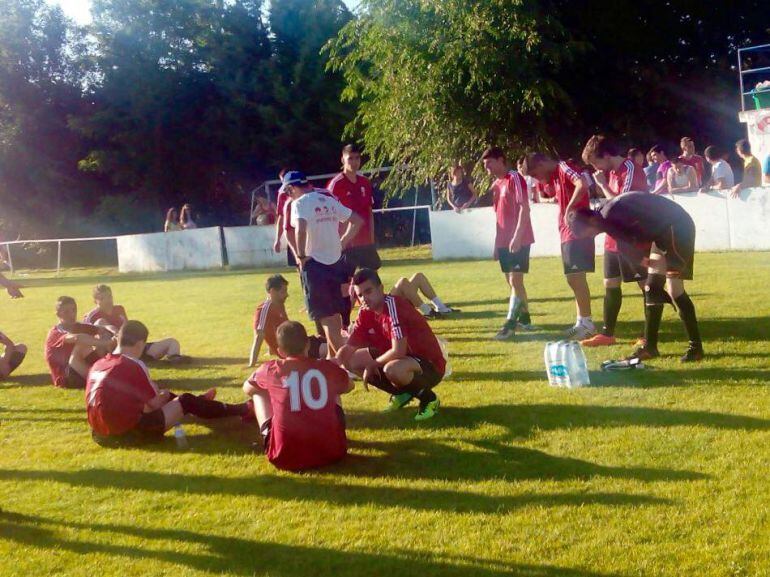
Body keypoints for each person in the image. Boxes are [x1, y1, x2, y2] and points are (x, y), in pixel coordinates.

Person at [569, 192, 704, 363]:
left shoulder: (611, 214)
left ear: (591, 222)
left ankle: (696, 348)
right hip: (662, 233)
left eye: (587, 234)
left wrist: (640, 258)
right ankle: (650, 348)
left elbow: (627, 241)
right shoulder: (605, 215)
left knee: (674, 289)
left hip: (677, 228)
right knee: (651, 287)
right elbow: (627, 242)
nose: (590, 237)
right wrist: (641, 259)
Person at [86, 320, 250, 447]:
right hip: (127, 434)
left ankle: (201, 402)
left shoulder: (99, 363)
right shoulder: (133, 364)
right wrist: (163, 395)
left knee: (171, 400)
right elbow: (155, 404)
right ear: (140, 344)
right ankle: (242, 409)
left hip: (100, 435)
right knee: (184, 401)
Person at [337, 268, 445, 421]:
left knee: (392, 369)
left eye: (368, 291)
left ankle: (430, 399)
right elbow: (348, 348)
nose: (364, 298)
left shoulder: (394, 307)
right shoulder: (365, 312)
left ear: (381, 289)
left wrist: (373, 364)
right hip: (403, 359)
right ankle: (402, 393)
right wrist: (331, 365)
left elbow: (399, 351)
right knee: (352, 360)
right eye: (360, 295)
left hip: (429, 364)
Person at [243, 321, 353, 470]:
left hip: (285, 455)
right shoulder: (326, 367)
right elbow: (349, 386)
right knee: (333, 387)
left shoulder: (271, 369)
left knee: (259, 393)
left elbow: (247, 388)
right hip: (332, 452)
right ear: (307, 344)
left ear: (280, 351)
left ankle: (267, 432)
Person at [580, 135, 649, 347]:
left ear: (607, 155)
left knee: (644, 284)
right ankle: (607, 334)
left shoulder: (630, 169)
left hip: (632, 238)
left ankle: (648, 334)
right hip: (613, 236)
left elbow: (623, 202)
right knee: (610, 283)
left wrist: (602, 185)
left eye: (595, 162)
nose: (595, 168)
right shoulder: (611, 173)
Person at [288, 170, 363, 357]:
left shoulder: (299, 203)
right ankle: (332, 359)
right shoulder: (328, 200)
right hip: (336, 263)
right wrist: (342, 242)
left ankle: (346, 363)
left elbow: (301, 229)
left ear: (292, 189)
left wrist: (301, 255)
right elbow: (357, 221)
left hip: (315, 265)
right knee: (336, 317)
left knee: (327, 320)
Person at [521, 153, 595, 339]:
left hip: (577, 229)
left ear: (543, 163)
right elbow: (545, 193)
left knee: (575, 278)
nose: (538, 179)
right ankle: (581, 322)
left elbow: (582, 184)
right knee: (573, 278)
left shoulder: (563, 167)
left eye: (537, 174)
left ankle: (587, 323)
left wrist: (569, 207)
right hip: (566, 231)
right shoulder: (553, 177)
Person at [482, 146, 536, 339]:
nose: (486, 167)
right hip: (505, 241)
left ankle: (509, 325)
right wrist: (498, 244)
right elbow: (499, 217)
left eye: (489, 163)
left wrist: (517, 236)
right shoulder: (496, 184)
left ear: (501, 160)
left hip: (519, 239)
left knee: (515, 280)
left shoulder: (514, 178)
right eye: (484, 164)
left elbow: (525, 208)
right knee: (512, 281)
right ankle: (526, 320)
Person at [327, 144, 381, 328]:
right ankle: (344, 324)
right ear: (343, 159)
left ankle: (375, 318)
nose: (354, 162)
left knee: (371, 281)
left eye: (357, 158)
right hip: (346, 244)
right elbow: (330, 214)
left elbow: (368, 211)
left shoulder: (365, 182)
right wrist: (337, 241)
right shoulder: (336, 184)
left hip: (365, 242)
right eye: (350, 158)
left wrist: (372, 238)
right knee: (345, 287)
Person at [84, 284, 191, 363]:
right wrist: (115, 334)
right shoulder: (92, 316)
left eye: (109, 296)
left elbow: (129, 328)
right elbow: (89, 339)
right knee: (103, 329)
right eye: (103, 298)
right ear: (95, 301)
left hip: (134, 347)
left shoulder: (119, 309)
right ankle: (119, 360)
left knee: (172, 342)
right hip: (115, 350)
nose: (108, 300)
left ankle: (173, 359)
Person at [249, 274, 327, 366]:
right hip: (297, 350)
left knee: (332, 340)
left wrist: (270, 351)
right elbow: (259, 336)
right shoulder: (264, 309)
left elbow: (275, 330)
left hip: (303, 342)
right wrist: (252, 364)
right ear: (272, 292)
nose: (287, 295)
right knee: (334, 347)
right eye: (283, 291)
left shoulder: (279, 305)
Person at [45, 296, 115, 388]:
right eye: (66, 312)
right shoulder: (55, 332)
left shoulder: (79, 326)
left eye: (74, 310)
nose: (72, 314)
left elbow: (102, 329)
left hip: (80, 370)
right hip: (66, 377)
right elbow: (77, 338)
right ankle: (98, 379)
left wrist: (116, 333)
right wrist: (108, 343)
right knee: (83, 344)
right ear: (58, 314)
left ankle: (107, 372)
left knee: (104, 333)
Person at [389, 272, 457, 318]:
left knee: (419, 276)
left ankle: (440, 307)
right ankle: (428, 311)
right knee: (402, 281)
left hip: (389, 300)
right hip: (386, 306)